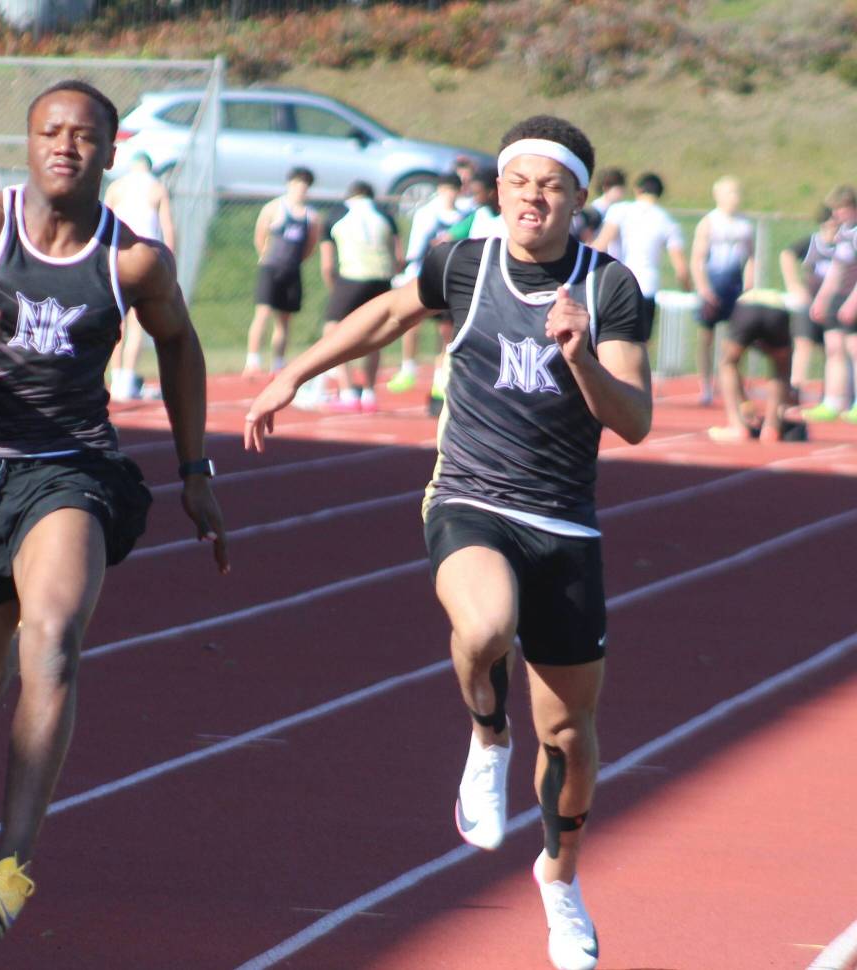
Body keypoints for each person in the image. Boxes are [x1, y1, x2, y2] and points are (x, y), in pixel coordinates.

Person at [245, 114, 650, 970]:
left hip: (566, 523)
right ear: (498, 190)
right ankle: (486, 737)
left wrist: (581, 358)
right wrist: (293, 372)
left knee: (572, 735)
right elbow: (388, 313)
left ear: (579, 199)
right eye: (519, 182)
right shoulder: (465, 262)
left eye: (552, 186)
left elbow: (638, 420)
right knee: (484, 628)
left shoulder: (609, 287)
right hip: (469, 498)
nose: (533, 198)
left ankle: (560, 877)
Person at [0, 80, 228, 939]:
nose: (64, 146)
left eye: (83, 136)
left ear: (111, 153)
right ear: (29, 143)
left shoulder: (133, 259)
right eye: (49, 131)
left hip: (72, 470)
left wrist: (194, 469)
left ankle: (12, 862)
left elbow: (179, 343)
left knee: (55, 636)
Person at [311, 179, 402, 412]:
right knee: (375, 336)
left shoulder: (337, 213)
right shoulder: (385, 215)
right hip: (382, 278)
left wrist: (336, 288)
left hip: (352, 277)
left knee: (334, 333)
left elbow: (327, 264)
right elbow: (398, 257)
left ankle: (349, 391)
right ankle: (370, 393)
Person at [103, 151, 176, 400]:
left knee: (116, 322)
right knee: (136, 324)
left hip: (116, 257)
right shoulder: (156, 188)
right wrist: (170, 264)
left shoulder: (117, 186)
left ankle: (115, 376)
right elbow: (167, 227)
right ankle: (127, 377)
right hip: (145, 259)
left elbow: (102, 219)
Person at [386, 171, 463, 394]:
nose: (449, 195)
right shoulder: (427, 214)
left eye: (453, 191)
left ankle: (441, 375)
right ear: (439, 190)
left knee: (447, 329)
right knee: (412, 322)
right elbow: (416, 247)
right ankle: (408, 367)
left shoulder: (464, 216)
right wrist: (409, 274)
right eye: (445, 190)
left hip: (450, 279)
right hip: (425, 275)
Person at [593, 171, 690, 343]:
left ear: (637, 190)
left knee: (609, 339)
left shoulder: (620, 210)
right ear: (660, 194)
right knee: (640, 342)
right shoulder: (667, 220)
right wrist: (687, 287)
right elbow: (681, 267)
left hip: (616, 282)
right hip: (647, 286)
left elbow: (601, 245)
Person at [243, 167, 320, 377]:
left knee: (284, 320)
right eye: (297, 185)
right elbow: (260, 235)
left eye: (304, 187)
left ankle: (278, 363)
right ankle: (252, 360)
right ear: (289, 185)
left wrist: (296, 262)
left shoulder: (311, 216)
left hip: (292, 270)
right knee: (263, 313)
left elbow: (311, 245)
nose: (300, 191)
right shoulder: (274, 208)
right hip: (270, 268)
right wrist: (265, 256)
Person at [690, 176, 755, 404]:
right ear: (718, 196)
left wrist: (748, 285)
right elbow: (698, 259)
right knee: (706, 337)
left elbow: (749, 258)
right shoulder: (709, 222)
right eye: (730, 193)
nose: (734, 198)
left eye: (737, 193)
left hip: (735, 284)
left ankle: (734, 383)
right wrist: (704, 288)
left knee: (738, 337)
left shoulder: (744, 224)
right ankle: (706, 385)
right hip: (713, 281)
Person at [707, 289, 794, 443]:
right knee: (781, 369)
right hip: (778, 309)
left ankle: (737, 425)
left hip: (748, 307)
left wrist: (745, 405)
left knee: (727, 363)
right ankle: (771, 427)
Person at [806, 186, 857, 422]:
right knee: (834, 348)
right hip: (839, 297)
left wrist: (852, 303)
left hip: (853, 297)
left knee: (854, 350)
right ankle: (832, 402)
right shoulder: (843, 233)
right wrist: (822, 299)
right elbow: (836, 268)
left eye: (840, 210)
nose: (836, 215)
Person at [780, 205, 837, 395]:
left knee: (832, 348)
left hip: (834, 305)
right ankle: (795, 388)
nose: (832, 230)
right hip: (809, 304)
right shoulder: (813, 243)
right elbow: (786, 255)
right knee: (803, 344)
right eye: (828, 225)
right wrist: (793, 285)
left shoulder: (846, 246)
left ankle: (831, 391)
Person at [575, 166, 625, 247]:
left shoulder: (620, 210)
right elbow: (588, 241)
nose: (621, 193)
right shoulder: (593, 211)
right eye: (617, 189)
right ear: (605, 188)